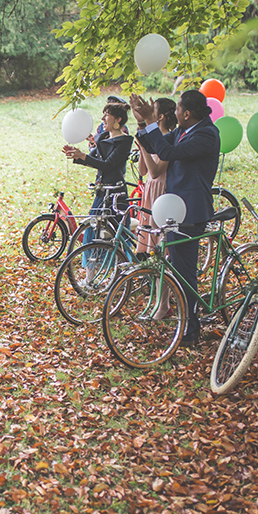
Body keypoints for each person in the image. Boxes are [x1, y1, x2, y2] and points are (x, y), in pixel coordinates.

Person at [130, 90, 220, 347]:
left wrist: (150, 122)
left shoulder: (206, 135)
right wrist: (141, 122)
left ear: (187, 113)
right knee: (177, 269)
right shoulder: (183, 131)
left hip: (190, 212)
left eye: (178, 109)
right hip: (173, 211)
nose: (174, 114)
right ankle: (186, 324)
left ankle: (190, 331)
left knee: (184, 272)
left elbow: (167, 152)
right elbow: (154, 145)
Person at [62, 102, 133, 245]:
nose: (103, 119)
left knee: (114, 233)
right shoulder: (102, 138)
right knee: (93, 228)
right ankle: (93, 263)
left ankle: (118, 263)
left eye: (107, 115)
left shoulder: (124, 141)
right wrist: (77, 156)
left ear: (118, 119)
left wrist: (83, 156)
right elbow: (93, 160)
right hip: (101, 192)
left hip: (116, 194)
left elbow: (108, 165)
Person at [135, 98, 178, 255]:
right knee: (147, 235)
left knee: (159, 237)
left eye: (153, 110)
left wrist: (144, 149)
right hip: (150, 189)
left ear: (160, 117)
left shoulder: (168, 139)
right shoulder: (152, 137)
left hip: (161, 190)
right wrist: (142, 148)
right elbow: (143, 171)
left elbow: (155, 171)